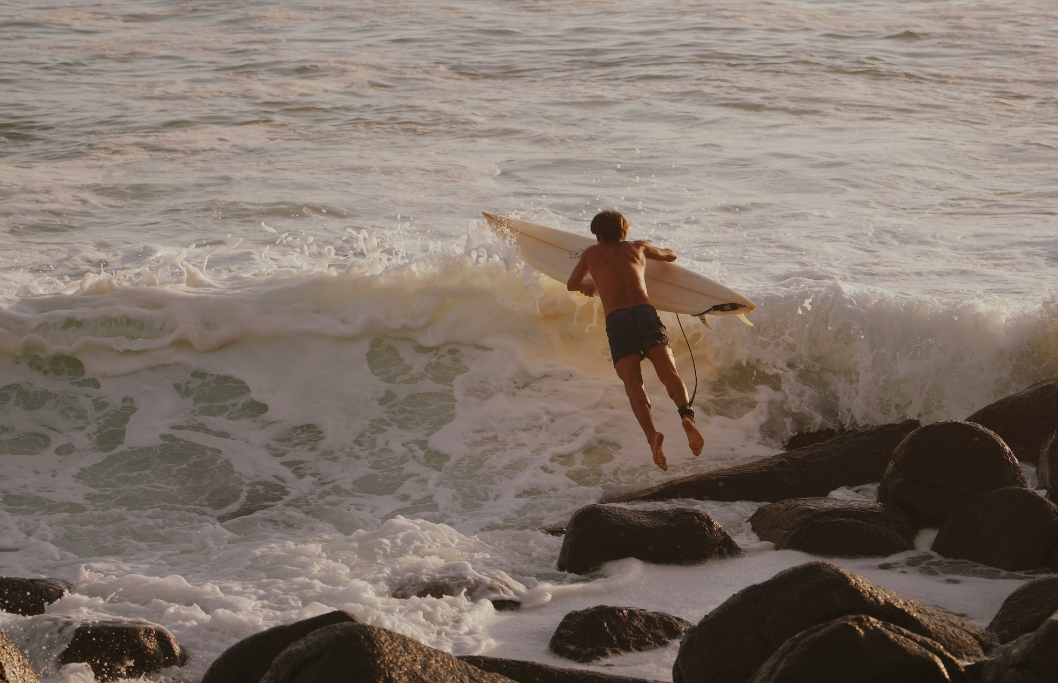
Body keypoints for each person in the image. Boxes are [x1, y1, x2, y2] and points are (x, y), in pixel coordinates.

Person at [566, 210, 704, 471]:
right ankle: (686, 415)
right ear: (624, 231)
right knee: (668, 371)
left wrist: (591, 283)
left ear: (598, 235)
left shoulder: (591, 254)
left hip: (617, 319)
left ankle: (652, 436)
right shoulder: (638, 247)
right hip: (644, 312)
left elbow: (572, 284)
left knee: (633, 384)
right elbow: (670, 255)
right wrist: (655, 249)